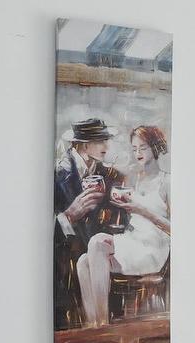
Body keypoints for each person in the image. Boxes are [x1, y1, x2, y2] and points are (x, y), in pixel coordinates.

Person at [76, 125, 171, 327]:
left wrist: (139, 210)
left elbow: (175, 230)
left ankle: (102, 325)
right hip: (132, 242)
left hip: (153, 248)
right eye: (134, 148)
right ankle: (93, 326)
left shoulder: (166, 182)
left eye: (142, 148)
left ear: (155, 147)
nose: (137, 153)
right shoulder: (135, 179)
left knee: (97, 242)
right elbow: (130, 216)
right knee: (83, 261)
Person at [53, 118, 127, 329]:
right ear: (84, 144)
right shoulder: (57, 175)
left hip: (99, 262)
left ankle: (99, 326)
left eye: (107, 140)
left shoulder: (110, 175)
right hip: (64, 269)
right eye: (101, 141)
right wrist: (68, 216)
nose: (107, 146)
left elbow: (119, 219)